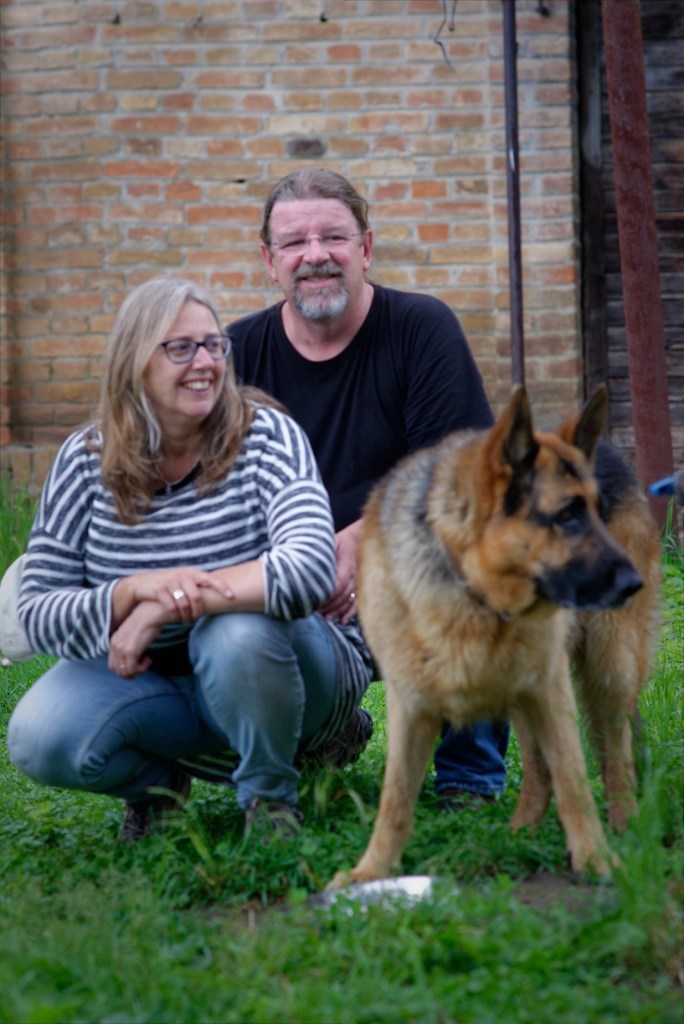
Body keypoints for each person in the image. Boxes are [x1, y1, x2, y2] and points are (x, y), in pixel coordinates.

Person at [7, 275, 374, 840]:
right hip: (157, 682)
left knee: (235, 633)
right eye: (180, 348)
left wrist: (170, 603)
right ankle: (159, 788)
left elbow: (309, 567)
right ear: (135, 362)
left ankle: (272, 798)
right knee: (41, 737)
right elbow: (36, 611)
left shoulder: (266, 435)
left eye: (213, 345)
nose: (204, 362)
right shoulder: (84, 460)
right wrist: (132, 593)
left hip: (287, 664)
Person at [228, 168, 509, 806]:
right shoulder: (236, 353)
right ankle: (326, 731)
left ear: (366, 248)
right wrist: (297, 564)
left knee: (485, 552)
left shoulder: (421, 328)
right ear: (270, 261)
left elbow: (461, 473)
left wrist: (362, 541)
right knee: (223, 627)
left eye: (334, 237)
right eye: (295, 243)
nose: (316, 255)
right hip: (288, 581)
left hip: (411, 570)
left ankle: (467, 781)